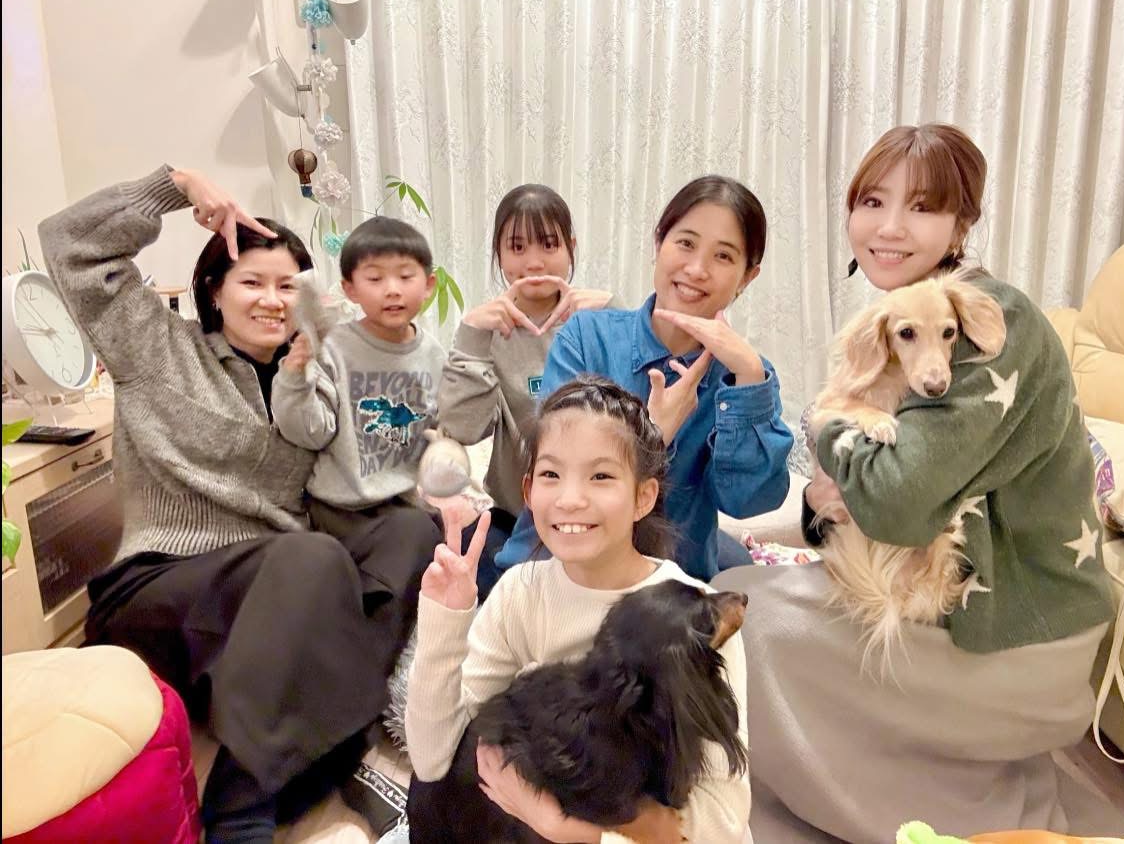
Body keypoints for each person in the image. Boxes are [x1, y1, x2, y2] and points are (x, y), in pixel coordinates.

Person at [714, 125, 1124, 842]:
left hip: (1016, 636)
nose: (889, 227)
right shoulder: (904, 318)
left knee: (748, 621)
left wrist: (825, 423)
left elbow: (895, 504)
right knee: (732, 590)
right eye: (871, 201)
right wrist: (832, 492)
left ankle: (893, 813)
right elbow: (851, 499)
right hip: (959, 605)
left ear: (962, 222)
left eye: (921, 207)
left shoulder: (993, 321)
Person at [39, 166, 440, 844]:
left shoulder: (321, 376)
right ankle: (243, 805)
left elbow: (374, 466)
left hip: (280, 610)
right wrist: (175, 186)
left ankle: (322, 739)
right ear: (213, 289)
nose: (273, 301)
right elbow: (70, 245)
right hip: (166, 591)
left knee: (409, 532)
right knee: (310, 556)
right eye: (253, 282)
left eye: (289, 286)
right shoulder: (160, 349)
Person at [404, 376, 751, 842]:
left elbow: (723, 824)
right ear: (528, 492)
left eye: (601, 476)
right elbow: (431, 761)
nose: (570, 500)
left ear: (643, 497)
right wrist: (445, 621)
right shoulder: (521, 592)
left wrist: (565, 826)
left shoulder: (695, 619)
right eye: (551, 475)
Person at [494, 176, 793, 582]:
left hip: (673, 586)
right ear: (658, 244)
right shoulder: (587, 338)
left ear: (746, 277)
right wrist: (655, 433)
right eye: (685, 243)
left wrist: (750, 380)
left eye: (723, 256)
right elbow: (562, 468)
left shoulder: (743, 378)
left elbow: (746, 501)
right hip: (560, 571)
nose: (696, 269)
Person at [437, 184, 612, 597]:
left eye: (549, 244)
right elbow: (462, 428)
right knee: (487, 590)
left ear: (571, 248)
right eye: (517, 247)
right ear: (499, 254)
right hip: (514, 514)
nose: (534, 262)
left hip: (595, 515)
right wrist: (471, 338)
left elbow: (639, 418)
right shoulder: (486, 330)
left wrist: (617, 314)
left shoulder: (599, 320)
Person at [272, 216, 447, 539]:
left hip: (403, 503)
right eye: (375, 278)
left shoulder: (434, 356)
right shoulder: (334, 348)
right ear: (350, 289)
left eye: (405, 276)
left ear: (428, 285)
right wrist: (295, 375)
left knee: (435, 533)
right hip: (336, 507)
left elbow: (441, 428)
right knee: (414, 536)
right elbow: (309, 433)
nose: (392, 290)